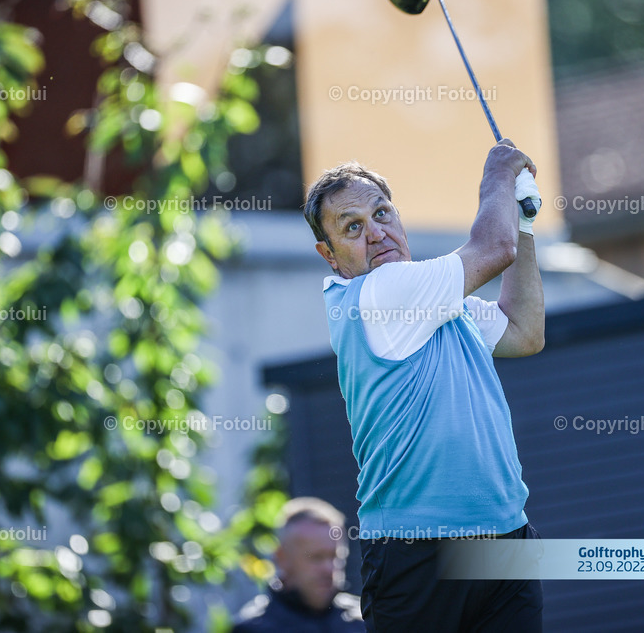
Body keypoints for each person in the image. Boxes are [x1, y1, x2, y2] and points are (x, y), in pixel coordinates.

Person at [303, 139, 546, 633]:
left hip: (505, 537)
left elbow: (524, 332)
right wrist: (498, 173)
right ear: (329, 256)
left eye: (382, 213)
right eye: (353, 227)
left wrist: (523, 223)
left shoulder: (435, 299)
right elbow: (492, 250)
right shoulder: (377, 294)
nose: (376, 233)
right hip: (418, 552)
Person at [232, 496, 365, 633]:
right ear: (282, 558)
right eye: (316, 557)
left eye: (335, 556)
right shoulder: (253, 629)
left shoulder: (366, 622)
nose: (329, 568)